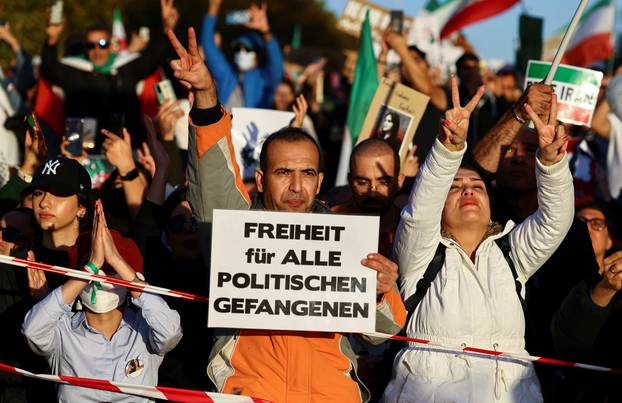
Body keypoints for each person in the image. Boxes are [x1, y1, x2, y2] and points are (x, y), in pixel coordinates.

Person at [167, 27, 406, 402]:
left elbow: (383, 331)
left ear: (321, 179)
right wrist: (206, 97)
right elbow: (213, 177)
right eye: (283, 173)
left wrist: (381, 291)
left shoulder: (346, 240)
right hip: (251, 392)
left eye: (307, 173)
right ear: (261, 179)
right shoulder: (234, 232)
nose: (297, 186)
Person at [382, 77, 573, 402]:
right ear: (440, 206)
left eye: (477, 186)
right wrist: (448, 149)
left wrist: (552, 164)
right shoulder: (420, 256)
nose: (468, 190)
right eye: (455, 187)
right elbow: (420, 212)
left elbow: (556, 219)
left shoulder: (512, 252)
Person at [22, 201, 182, 402]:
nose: (100, 277)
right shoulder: (63, 331)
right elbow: (32, 330)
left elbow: (171, 332)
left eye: (109, 269)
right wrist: (92, 266)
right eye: (93, 270)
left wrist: (116, 259)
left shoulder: (146, 329)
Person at [40, 0, 178, 147]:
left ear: (110, 44)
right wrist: (52, 38)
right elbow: (49, 68)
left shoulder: (125, 67)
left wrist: (167, 28)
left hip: (126, 149)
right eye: (90, 46)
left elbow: (155, 56)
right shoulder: (74, 70)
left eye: (102, 44)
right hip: (82, 152)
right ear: (85, 48)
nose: (97, 50)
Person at [201, 0, 283, 109]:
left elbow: (276, 62)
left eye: (247, 49)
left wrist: (265, 31)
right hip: (225, 125)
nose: (241, 53)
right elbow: (208, 46)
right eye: (237, 49)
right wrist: (213, 6)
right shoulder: (227, 74)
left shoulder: (265, 79)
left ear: (257, 55)